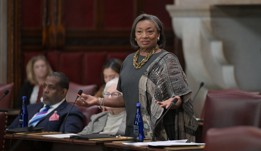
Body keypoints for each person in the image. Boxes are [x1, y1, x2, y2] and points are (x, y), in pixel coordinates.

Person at [77, 13, 198, 141]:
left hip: (160, 131)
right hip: (131, 130)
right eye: (139, 32)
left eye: (150, 31)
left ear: (158, 35)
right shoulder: (128, 61)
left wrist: (173, 102)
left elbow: (179, 98)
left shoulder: (168, 60)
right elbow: (126, 98)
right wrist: (97, 101)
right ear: (134, 36)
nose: (144, 36)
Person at [8, 72, 84, 133]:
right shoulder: (29, 108)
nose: (45, 90)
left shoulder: (70, 112)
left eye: (51, 87)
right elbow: (9, 131)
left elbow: (68, 142)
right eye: (44, 86)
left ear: (63, 92)